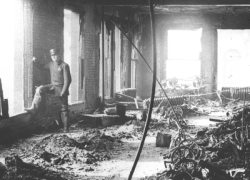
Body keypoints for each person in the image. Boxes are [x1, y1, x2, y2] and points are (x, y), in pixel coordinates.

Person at [25, 48, 72, 132]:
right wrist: (35, 61)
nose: (54, 57)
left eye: (55, 55)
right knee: (40, 89)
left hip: (61, 88)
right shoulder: (51, 64)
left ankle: (66, 128)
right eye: (52, 56)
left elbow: (68, 80)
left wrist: (64, 91)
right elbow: (42, 67)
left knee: (64, 109)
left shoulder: (64, 65)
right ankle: (33, 108)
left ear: (59, 55)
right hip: (53, 86)